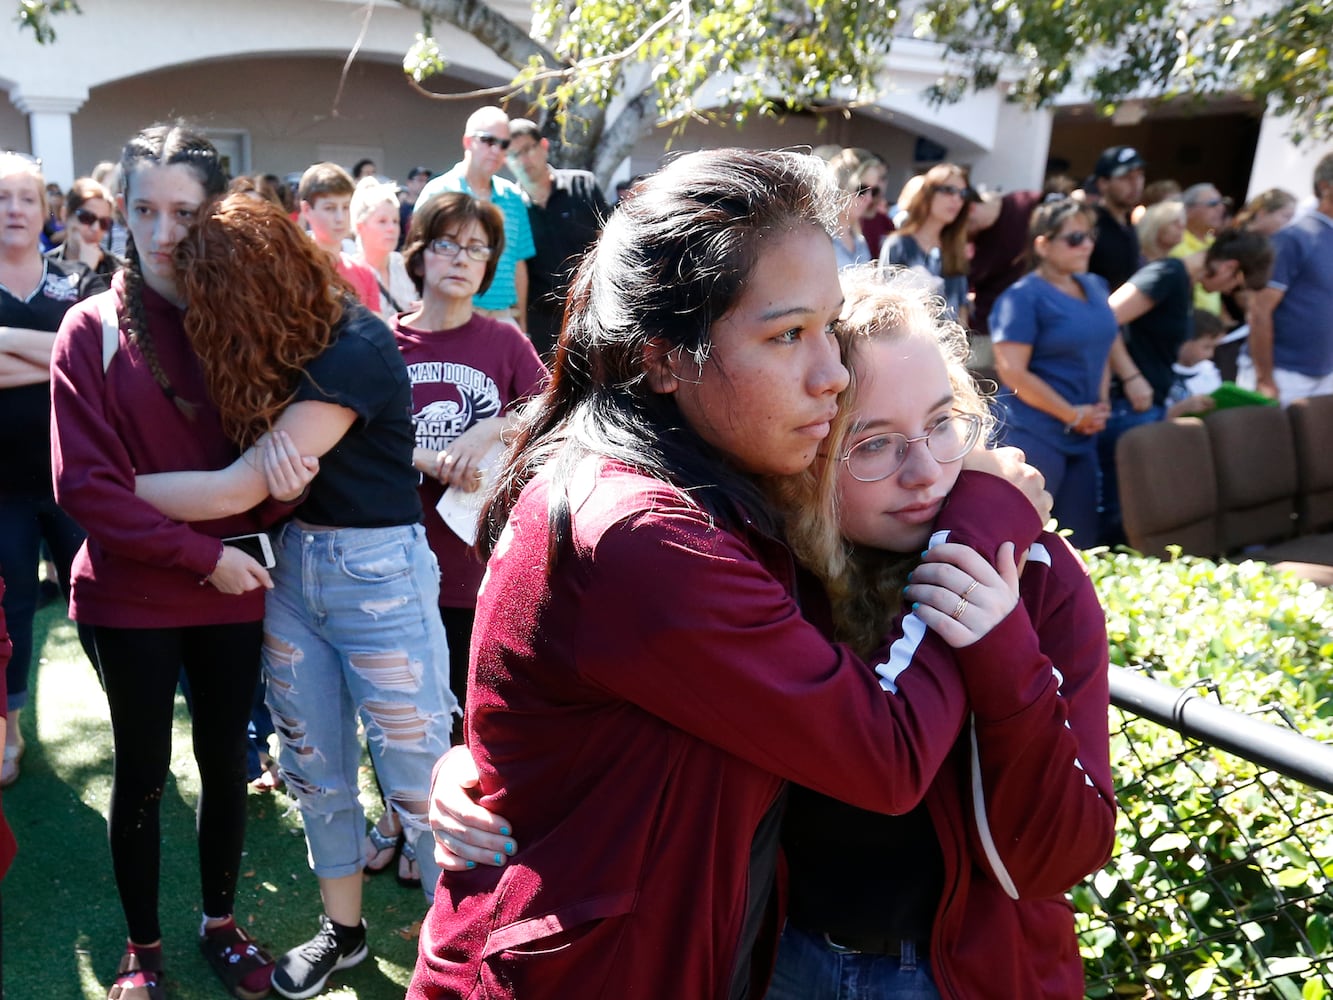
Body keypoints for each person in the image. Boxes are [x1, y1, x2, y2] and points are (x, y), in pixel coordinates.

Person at [407, 148, 1054, 999]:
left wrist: (481, 767)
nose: (830, 376)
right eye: (787, 335)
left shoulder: (705, 482)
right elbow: (887, 754)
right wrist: (983, 516)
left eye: (828, 326)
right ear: (665, 358)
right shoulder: (644, 534)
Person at [130, 194, 456, 1000]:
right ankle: (343, 935)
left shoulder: (354, 343)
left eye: (220, 296)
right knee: (314, 769)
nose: (210, 316)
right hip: (292, 572)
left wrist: (104, 486)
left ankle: (464, 951)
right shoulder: (272, 348)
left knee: (420, 774)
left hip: (376, 573)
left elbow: (238, 485)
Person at [50, 124, 280, 1000]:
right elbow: (88, 489)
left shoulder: (250, 318)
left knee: (226, 764)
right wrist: (201, 551)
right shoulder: (88, 329)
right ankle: (142, 949)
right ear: (120, 208)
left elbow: (282, 470)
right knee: (143, 772)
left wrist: (254, 507)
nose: (161, 230)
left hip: (237, 589)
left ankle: (220, 923)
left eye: (183, 211)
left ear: (215, 212)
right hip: (131, 595)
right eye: (143, 208)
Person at [0, 152, 102, 788]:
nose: (13, 209)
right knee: (7, 615)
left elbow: (97, 358)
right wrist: (62, 353)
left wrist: (8, 341)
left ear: (46, 212)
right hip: (2, 491)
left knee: (100, 603)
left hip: (78, 481)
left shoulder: (76, 282)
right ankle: (8, 731)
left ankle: (132, 712)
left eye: (25, 198)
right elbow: (75, 354)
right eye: (1, 198)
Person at [1097, 227, 1274, 543]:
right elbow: (1103, 318)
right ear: (1230, 266)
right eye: (1234, 284)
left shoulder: (1185, 282)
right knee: (1118, 514)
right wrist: (1131, 377)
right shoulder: (1168, 272)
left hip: (1147, 403)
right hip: (1128, 403)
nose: (1228, 291)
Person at [991, 199, 1117, 548]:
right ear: (1043, 245)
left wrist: (1101, 404)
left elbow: (1103, 345)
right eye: (1074, 238)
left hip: (1084, 432)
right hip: (1035, 433)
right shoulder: (1021, 298)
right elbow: (1012, 371)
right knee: (1020, 537)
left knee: (1081, 543)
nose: (1087, 245)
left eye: (1089, 235)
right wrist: (1072, 414)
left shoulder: (1095, 285)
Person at [414, 107, 535, 330]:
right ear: (468, 142)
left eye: (504, 144)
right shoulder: (438, 192)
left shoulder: (513, 198)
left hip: (502, 318)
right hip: (447, 316)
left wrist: (522, 322)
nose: (496, 150)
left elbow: (519, 264)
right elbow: (416, 254)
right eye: (488, 140)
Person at [505, 118, 609, 358]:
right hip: (540, 323)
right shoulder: (510, 205)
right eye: (513, 154)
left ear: (543, 146)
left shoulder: (583, 185)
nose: (523, 160)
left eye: (528, 149)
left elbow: (611, 242)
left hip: (592, 312)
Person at [1239, 152, 1333, 405]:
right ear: (1325, 187)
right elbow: (1259, 311)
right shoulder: (1293, 237)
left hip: (1324, 376)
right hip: (1282, 374)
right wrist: (1265, 379)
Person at [879, 163, 973, 325]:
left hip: (949, 344)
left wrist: (962, 346)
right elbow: (882, 302)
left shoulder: (955, 248)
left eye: (963, 193)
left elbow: (961, 306)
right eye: (949, 190)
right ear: (928, 193)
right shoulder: (898, 244)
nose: (957, 199)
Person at [296, 162, 381, 313]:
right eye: (330, 208)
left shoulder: (364, 273)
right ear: (307, 210)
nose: (340, 218)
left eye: (346, 207)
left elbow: (375, 332)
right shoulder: (294, 270)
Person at [351, 176, 419, 322]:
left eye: (395, 221)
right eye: (382, 221)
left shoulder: (405, 265)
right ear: (360, 227)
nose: (392, 228)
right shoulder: (351, 272)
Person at [1086, 146, 1146, 291]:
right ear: (1103, 183)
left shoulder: (1129, 223)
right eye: (1126, 177)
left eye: (1139, 175)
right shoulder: (1090, 224)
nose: (1135, 184)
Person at [45, 176, 123, 279]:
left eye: (104, 222)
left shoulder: (118, 271)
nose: (96, 228)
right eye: (87, 218)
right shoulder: (43, 269)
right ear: (65, 215)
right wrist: (85, 269)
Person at [1170, 183, 1228, 316]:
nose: (1221, 208)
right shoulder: (1174, 241)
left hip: (1209, 329)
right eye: (1213, 204)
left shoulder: (1215, 244)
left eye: (1222, 203)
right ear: (1188, 210)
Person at [826, 148, 879, 271]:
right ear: (842, 185)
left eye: (874, 191)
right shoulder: (818, 237)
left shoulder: (859, 240)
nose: (869, 199)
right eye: (862, 189)